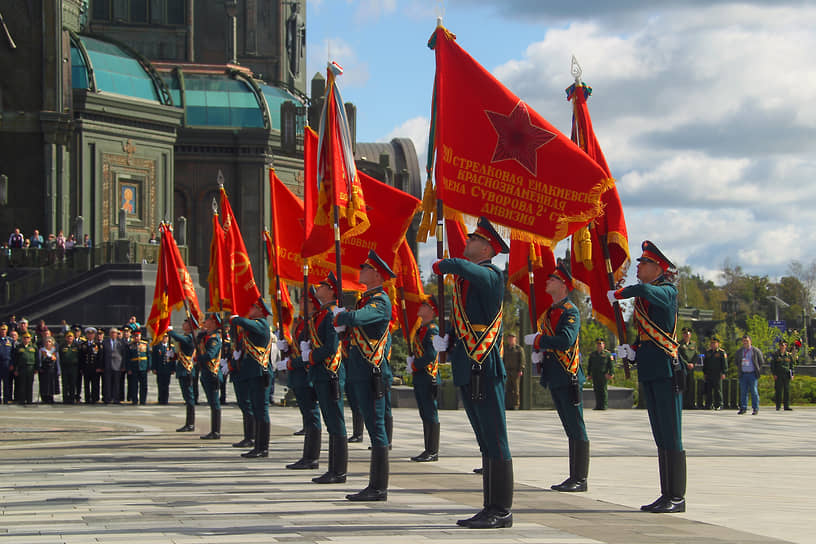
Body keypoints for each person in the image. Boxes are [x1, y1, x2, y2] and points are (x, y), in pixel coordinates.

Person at [432, 217, 513, 528]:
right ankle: (489, 506)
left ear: (487, 248)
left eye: (474, 239)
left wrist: (447, 263)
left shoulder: (491, 274)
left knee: (495, 438)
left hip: (485, 367)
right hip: (468, 365)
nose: (467, 241)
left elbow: (466, 269)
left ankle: (501, 510)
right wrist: (448, 339)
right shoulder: (468, 280)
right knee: (484, 439)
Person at [610, 240, 685, 513]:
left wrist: (620, 293)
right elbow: (648, 339)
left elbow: (642, 289)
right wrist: (633, 353)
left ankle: (676, 496)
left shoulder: (667, 291)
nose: (639, 267)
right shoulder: (645, 297)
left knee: (671, 433)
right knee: (660, 435)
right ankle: (667, 493)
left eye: (644, 263)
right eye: (639, 263)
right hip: (652, 370)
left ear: (659, 268)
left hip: (667, 372)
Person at [334, 251, 394, 501]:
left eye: (366, 267)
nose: (361, 270)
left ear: (377, 274)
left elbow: (360, 318)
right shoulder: (365, 300)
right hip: (360, 372)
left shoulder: (379, 301)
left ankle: (378, 487)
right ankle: (374, 486)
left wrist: (343, 315)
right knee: (371, 426)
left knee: (377, 429)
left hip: (372, 373)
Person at [526, 262, 590, 492]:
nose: (547, 281)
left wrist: (539, 341)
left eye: (552, 279)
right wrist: (539, 354)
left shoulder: (570, 311)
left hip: (568, 376)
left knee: (576, 427)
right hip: (555, 376)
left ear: (564, 285)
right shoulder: (549, 312)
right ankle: (574, 476)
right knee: (569, 427)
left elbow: (566, 340)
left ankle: (580, 478)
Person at [306, 274, 348, 483]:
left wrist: (312, 355)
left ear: (331, 290)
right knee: (330, 421)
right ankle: (333, 469)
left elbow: (331, 347)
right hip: (322, 373)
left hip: (330, 373)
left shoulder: (331, 314)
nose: (317, 287)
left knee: (335, 422)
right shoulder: (323, 314)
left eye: (322, 285)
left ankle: (338, 471)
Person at [230, 298, 276, 458]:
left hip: (260, 373)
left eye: (253, 306)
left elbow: (246, 324)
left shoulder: (262, 324)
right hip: (252, 373)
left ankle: (263, 448)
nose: (250, 308)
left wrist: (236, 318)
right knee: (256, 409)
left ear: (260, 311)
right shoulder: (252, 327)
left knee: (261, 410)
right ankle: (257, 445)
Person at [281, 294, 322, 471]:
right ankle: (307, 456)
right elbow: (299, 349)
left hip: (307, 376)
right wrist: (287, 347)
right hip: (298, 376)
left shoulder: (313, 323)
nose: (301, 304)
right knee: (307, 416)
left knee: (312, 416)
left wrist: (291, 362)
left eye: (305, 301)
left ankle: (312, 457)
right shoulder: (302, 324)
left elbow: (310, 353)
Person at [408, 295, 441, 463]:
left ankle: (432, 451)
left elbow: (431, 355)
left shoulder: (432, 330)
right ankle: (428, 448)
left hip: (428, 376)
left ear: (431, 310)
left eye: (424, 305)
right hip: (420, 376)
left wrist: (415, 364)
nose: (420, 307)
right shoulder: (422, 329)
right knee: (424, 413)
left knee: (430, 413)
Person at [197, 314, 224, 439]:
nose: (205, 322)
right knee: (212, 402)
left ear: (213, 323)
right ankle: (214, 430)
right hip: (207, 374)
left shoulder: (214, 339)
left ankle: (216, 431)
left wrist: (198, 358)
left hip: (212, 374)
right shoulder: (207, 337)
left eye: (207, 320)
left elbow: (210, 355)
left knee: (214, 403)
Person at [168, 318, 197, 431]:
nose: (183, 324)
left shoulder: (190, 337)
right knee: (187, 397)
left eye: (185, 323)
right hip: (182, 369)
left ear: (190, 326)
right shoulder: (186, 336)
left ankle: (190, 424)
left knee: (189, 397)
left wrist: (170, 331)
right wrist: (173, 356)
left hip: (187, 370)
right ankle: (188, 423)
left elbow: (179, 338)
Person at [734, 334, 764, 415]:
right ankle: (743, 408)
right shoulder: (740, 351)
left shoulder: (755, 351)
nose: (745, 343)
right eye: (744, 341)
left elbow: (761, 361)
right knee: (743, 392)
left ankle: (755, 408)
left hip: (752, 374)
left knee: (754, 391)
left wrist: (757, 369)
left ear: (750, 341)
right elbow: (736, 361)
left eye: (747, 341)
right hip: (743, 374)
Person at [586, 338, 614, 410]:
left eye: (600, 344)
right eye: (598, 344)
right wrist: (589, 374)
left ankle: (604, 405)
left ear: (603, 345)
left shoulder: (607, 354)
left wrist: (611, 373)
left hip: (603, 374)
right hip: (595, 375)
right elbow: (590, 365)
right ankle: (598, 405)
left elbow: (611, 365)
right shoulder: (593, 354)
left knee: (603, 390)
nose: (599, 346)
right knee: (596, 390)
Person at [102, 328, 127, 404]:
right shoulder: (105, 342)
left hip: (117, 365)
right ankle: (107, 398)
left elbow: (124, 355)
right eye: (112, 333)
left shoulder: (121, 343)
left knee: (117, 383)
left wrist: (123, 366)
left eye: (115, 333)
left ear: (117, 334)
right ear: (109, 334)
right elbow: (102, 355)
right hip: (108, 365)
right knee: (107, 383)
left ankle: (116, 398)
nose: (113, 334)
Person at [702, 336, 727, 410]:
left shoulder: (721, 352)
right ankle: (708, 404)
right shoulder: (708, 352)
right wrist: (705, 373)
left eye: (714, 343)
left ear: (718, 344)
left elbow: (724, 364)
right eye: (711, 343)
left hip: (717, 374)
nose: (712, 345)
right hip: (709, 374)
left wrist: (723, 372)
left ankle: (719, 404)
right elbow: (705, 363)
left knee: (718, 390)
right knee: (708, 390)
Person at [78, 327, 103, 403]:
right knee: (86, 384)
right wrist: (81, 368)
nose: (90, 335)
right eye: (89, 334)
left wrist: (99, 367)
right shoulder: (83, 345)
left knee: (95, 384)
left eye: (92, 334)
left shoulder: (98, 344)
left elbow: (100, 357)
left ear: (94, 335)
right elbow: (81, 357)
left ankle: (95, 398)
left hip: (95, 367)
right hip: (86, 367)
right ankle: (87, 398)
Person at [126, 329, 151, 404]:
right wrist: (129, 368)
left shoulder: (145, 344)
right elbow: (127, 358)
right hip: (134, 367)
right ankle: (134, 400)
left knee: (144, 385)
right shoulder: (130, 345)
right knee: (134, 385)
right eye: (135, 336)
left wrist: (149, 367)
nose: (136, 337)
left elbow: (148, 356)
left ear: (140, 336)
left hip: (143, 367)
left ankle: (143, 400)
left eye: (138, 336)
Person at [770, 341, 795, 411]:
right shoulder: (776, 355)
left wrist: (792, 374)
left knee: (786, 391)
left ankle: (786, 406)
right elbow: (773, 365)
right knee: (778, 390)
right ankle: (778, 406)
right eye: (781, 345)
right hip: (778, 375)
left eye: (783, 345)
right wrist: (774, 374)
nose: (782, 347)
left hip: (786, 375)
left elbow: (791, 365)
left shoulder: (789, 355)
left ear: (786, 346)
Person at [503, 333, 525, 410]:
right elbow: (503, 359)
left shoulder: (519, 349)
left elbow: (522, 360)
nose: (510, 339)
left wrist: (520, 370)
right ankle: (508, 405)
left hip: (516, 371)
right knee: (508, 389)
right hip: (507, 371)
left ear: (515, 339)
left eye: (512, 338)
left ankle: (516, 405)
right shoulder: (505, 348)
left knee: (516, 389)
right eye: (509, 338)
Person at [152, 333, 175, 405]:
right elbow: (154, 358)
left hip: (167, 369)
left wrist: (173, 369)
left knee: (166, 385)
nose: (165, 338)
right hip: (160, 369)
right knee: (160, 385)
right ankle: (160, 399)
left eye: (166, 337)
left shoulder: (171, 347)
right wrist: (154, 368)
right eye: (163, 337)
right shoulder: (157, 347)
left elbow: (173, 359)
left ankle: (165, 400)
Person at [677, 328, 698, 409]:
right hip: (683, 367)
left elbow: (696, 355)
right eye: (685, 334)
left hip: (691, 368)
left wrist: (693, 364)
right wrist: (686, 364)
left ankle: (690, 404)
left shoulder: (693, 344)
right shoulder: (679, 344)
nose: (686, 336)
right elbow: (679, 356)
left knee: (691, 386)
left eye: (688, 334)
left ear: (690, 335)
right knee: (683, 385)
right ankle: (683, 404)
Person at [59, 331, 80, 404]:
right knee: (65, 383)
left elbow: (79, 356)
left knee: (73, 383)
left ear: (73, 337)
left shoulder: (76, 346)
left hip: (74, 367)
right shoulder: (62, 346)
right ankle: (65, 398)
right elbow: (60, 357)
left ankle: (72, 398)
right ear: (65, 338)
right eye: (68, 337)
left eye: (71, 337)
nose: (69, 338)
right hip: (65, 367)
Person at [37, 337, 60, 403]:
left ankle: (51, 397)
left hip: (52, 369)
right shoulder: (42, 350)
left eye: (49, 341)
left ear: (52, 343)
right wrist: (40, 368)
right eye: (46, 342)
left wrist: (58, 370)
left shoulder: (54, 351)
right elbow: (39, 360)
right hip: (44, 369)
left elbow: (57, 361)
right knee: (44, 384)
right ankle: (44, 398)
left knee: (52, 384)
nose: (48, 343)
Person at [0, 323, 13, 403]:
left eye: (4, 329)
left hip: (7, 363)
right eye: (1, 329)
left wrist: (12, 364)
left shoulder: (10, 340)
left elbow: (13, 353)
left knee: (7, 382)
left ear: (7, 330)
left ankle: (6, 398)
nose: (3, 331)